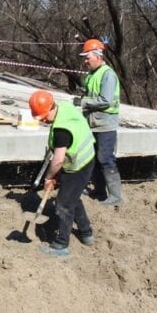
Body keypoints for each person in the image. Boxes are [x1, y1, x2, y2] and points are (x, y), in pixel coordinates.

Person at [29, 90, 96, 258]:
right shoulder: (64, 108)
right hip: (86, 159)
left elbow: (58, 161)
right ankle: (86, 233)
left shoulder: (61, 130)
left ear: (51, 108)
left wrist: (49, 177)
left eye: (43, 117)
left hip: (77, 165)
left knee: (63, 205)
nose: (43, 120)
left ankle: (61, 245)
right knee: (72, 197)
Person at [76, 39, 123, 206]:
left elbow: (105, 100)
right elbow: (91, 93)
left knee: (106, 158)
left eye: (87, 57)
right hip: (93, 123)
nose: (85, 61)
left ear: (97, 56)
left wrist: (83, 102)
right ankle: (99, 190)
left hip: (105, 124)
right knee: (94, 158)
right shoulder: (91, 75)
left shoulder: (108, 74)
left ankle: (116, 197)